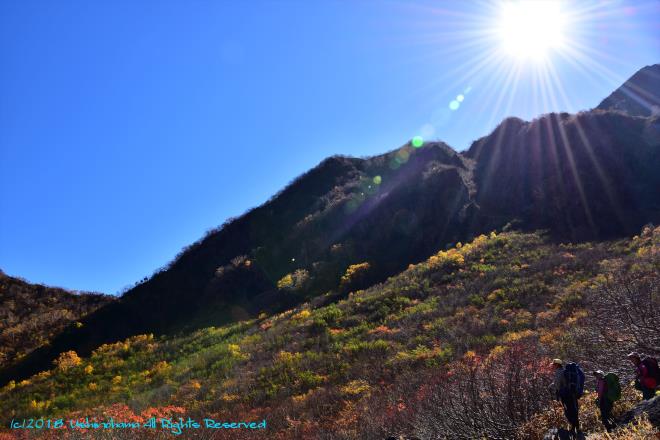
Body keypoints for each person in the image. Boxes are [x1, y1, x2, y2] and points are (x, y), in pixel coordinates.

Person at [550, 359, 582, 435]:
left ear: (557, 365)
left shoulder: (559, 372)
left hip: (565, 395)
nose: (553, 366)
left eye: (554, 364)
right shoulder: (564, 371)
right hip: (572, 394)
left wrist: (552, 387)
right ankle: (577, 427)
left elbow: (558, 384)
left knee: (568, 411)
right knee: (574, 409)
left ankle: (574, 428)